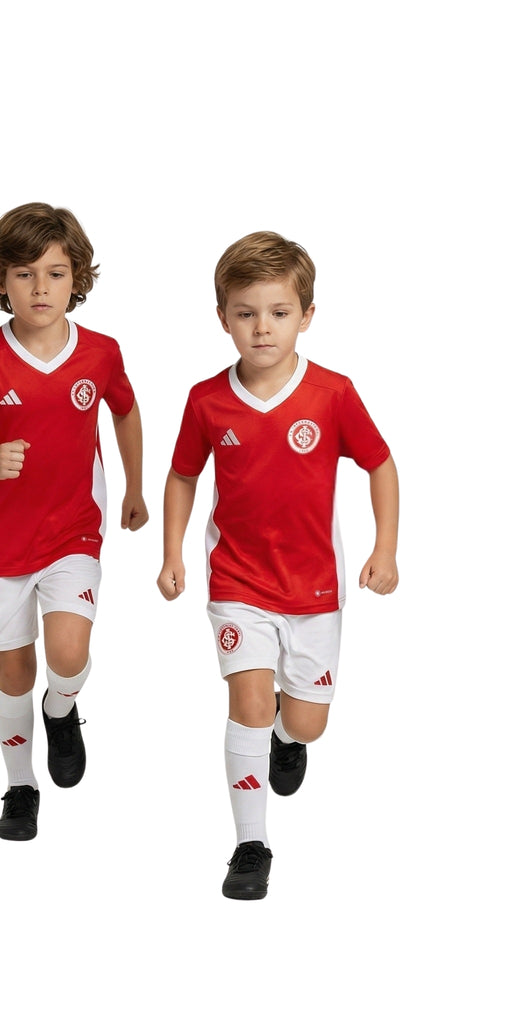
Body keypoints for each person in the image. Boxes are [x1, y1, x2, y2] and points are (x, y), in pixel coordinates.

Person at [157, 230, 399, 899]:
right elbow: (183, 476)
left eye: (279, 312)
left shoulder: (332, 393)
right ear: (223, 318)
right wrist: (173, 551)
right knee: (249, 703)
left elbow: (380, 463)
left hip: (314, 590)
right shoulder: (206, 400)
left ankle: (289, 739)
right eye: (246, 313)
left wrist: (384, 548)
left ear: (306, 316)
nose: (262, 327)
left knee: (305, 722)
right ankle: (250, 845)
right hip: (237, 582)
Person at [0, 203, 148, 841]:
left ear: (76, 278)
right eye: (24, 274)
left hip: (73, 532)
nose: (40, 288)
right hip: (2, 544)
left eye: (55, 274)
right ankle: (20, 785)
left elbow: (125, 410)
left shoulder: (101, 353)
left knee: (68, 652)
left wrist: (135, 486)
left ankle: (62, 709)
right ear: (0, 279)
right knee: (12, 673)